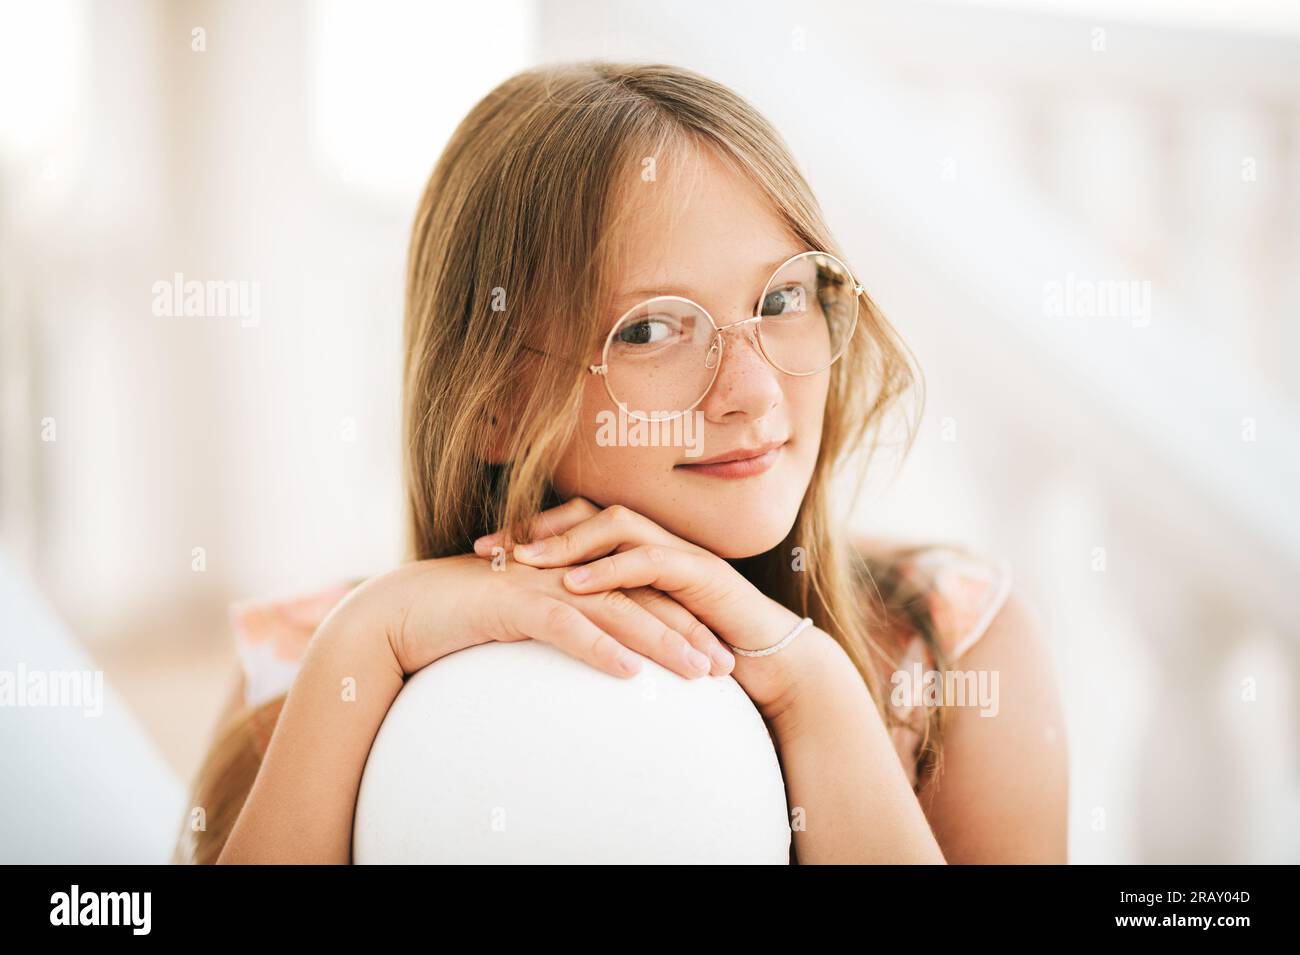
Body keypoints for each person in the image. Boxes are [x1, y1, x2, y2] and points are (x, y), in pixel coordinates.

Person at [179, 61, 1068, 865]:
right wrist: (365, 640)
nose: (754, 393)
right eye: (652, 328)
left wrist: (816, 691)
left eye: (782, 298)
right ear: (495, 404)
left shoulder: (948, 649)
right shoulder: (318, 662)